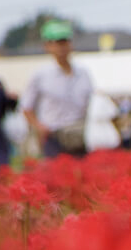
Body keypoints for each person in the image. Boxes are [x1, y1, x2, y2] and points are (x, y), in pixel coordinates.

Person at [21, 20, 93, 158]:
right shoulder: (41, 75)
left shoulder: (83, 73)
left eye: (65, 41)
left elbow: (91, 101)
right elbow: (26, 107)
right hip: (53, 137)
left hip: (79, 134)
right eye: (57, 43)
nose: (62, 47)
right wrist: (39, 127)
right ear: (47, 46)